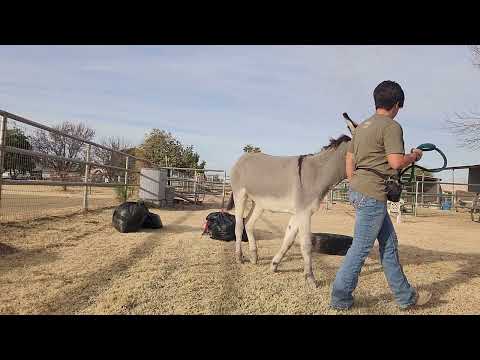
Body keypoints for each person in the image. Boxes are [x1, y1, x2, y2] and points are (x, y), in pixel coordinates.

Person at [330, 80, 432, 311]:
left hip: (359, 190)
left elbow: (349, 159)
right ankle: (339, 296)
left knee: (388, 244)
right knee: (361, 247)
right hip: (373, 194)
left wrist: (354, 181)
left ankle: (405, 297)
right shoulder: (391, 126)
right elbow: (396, 162)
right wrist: (414, 156)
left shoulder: (362, 127)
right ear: (397, 104)